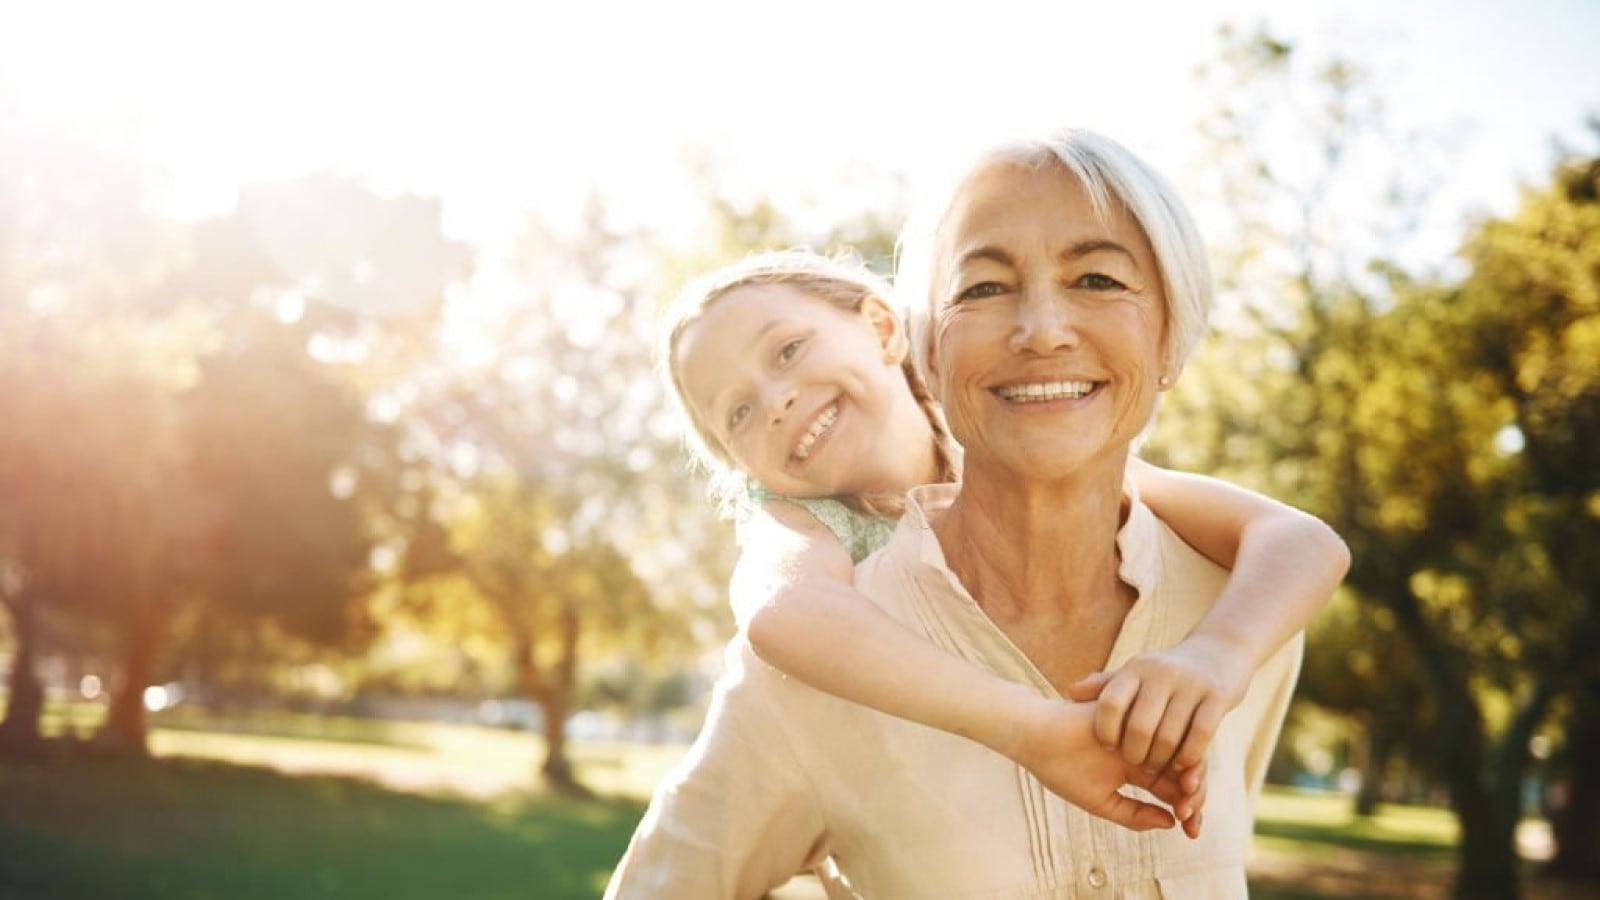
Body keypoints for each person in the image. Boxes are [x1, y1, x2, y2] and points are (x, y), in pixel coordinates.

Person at [608, 129, 1326, 898]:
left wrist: (1219, 653)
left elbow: (1298, 537)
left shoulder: (1235, 603)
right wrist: (1031, 727)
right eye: (739, 414)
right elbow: (780, 611)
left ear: (886, 329)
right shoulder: (805, 587)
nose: (1043, 332)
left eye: (1097, 278)